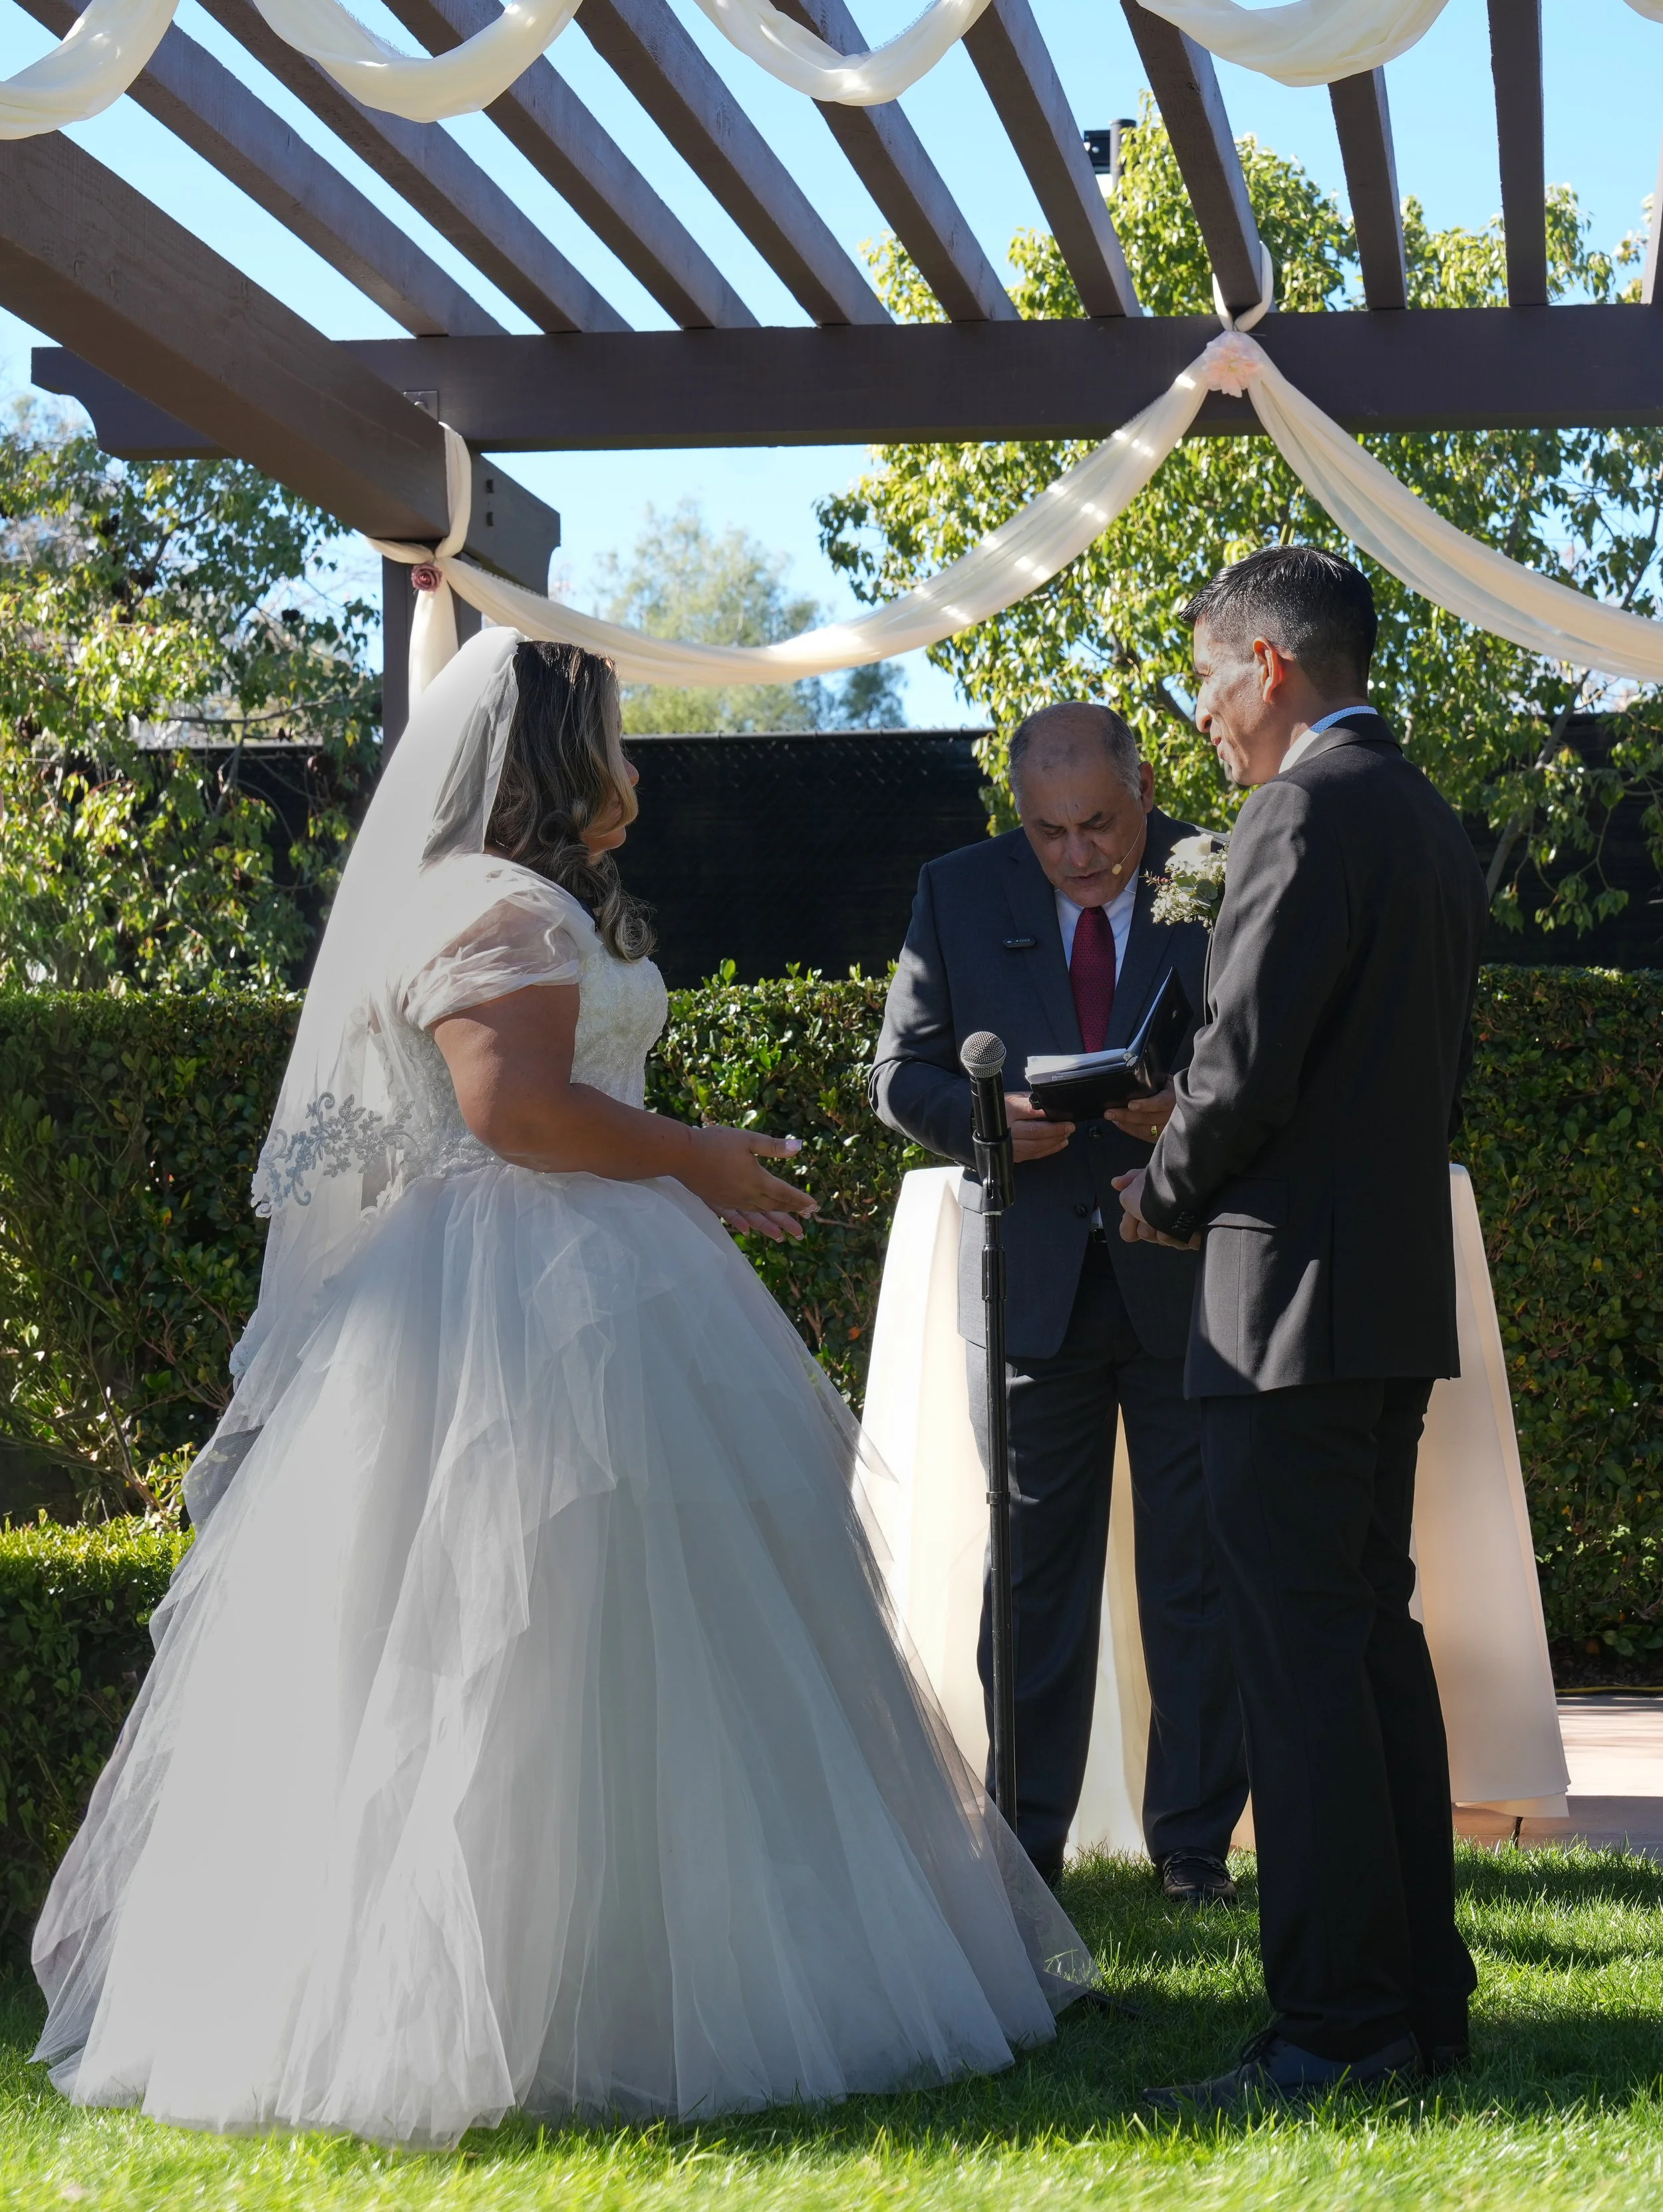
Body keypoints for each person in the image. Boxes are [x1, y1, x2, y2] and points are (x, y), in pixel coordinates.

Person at [31, 631, 1094, 2148]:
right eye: (616, 738)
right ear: (554, 757)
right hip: (520, 1300)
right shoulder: (497, 904)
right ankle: (494, 1995)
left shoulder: (511, 900)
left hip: (588, 1270)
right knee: (512, 1626)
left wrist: (684, 1171)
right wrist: (698, 1158)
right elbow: (516, 1112)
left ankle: (624, 1970)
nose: (635, 769)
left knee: (631, 1625)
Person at [1116, 546, 1488, 2112]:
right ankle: (1414, 2003)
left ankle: (1332, 2029)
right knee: (1366, 1646)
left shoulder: (1299, 810)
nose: (1200, 717)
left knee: (1297, 1665)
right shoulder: (1420, 813)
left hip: (1280, 1306)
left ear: (1267, 665)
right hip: (1384, 1292)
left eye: (1204, 680)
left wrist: (1161, 1190)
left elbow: (1249, 1058)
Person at [869, 702, 1249, 1901]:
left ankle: (1193, 1850)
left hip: (1183, 1273)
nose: (1079, 854)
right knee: (1032, 1579)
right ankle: (1023, 1853)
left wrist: (1187, 1113)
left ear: (1147, 789)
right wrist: (986, 1123)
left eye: (1100, 825)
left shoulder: (1224, 870)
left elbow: (1267, 1052)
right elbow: (898, 1072)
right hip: (1031, 1282)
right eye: (1049, 832)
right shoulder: (954, 888)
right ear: (1017, 815)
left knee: (1198, 1573)